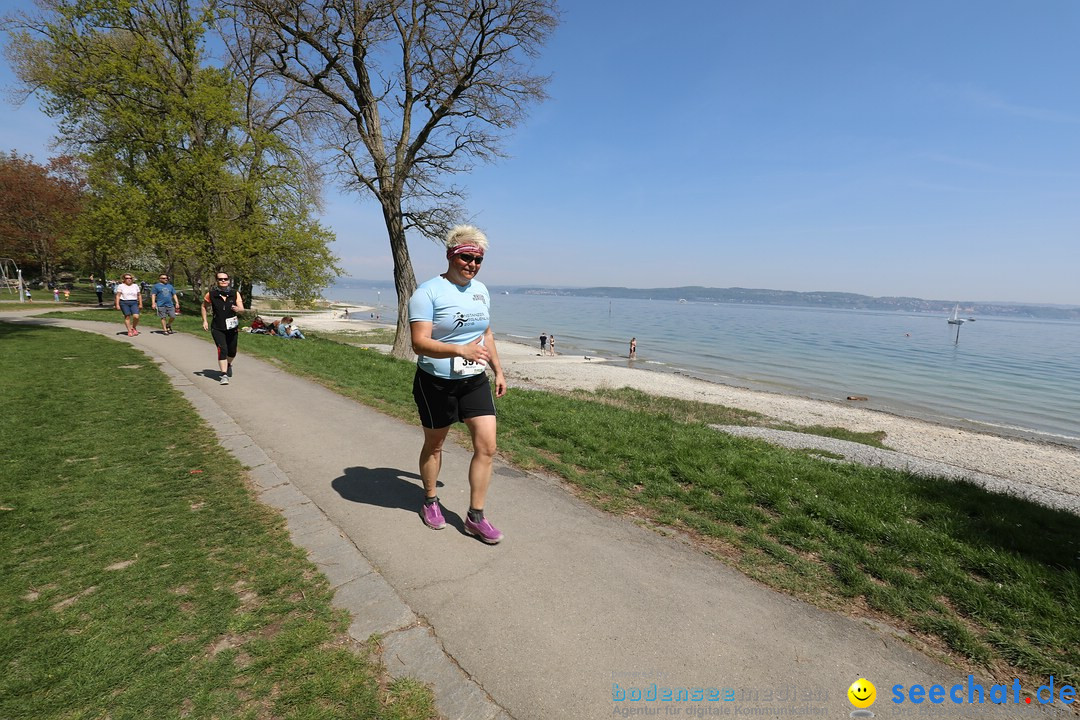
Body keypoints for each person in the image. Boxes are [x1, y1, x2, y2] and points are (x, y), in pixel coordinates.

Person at [408, 225, 507, 544]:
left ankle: (475, 516)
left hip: (473, 380)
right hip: (435, 382)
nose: (472, 265)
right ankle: (430, 500)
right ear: (452, 256)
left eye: (478, 260)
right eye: (466, 258)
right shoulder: (427, 292)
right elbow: (419, 344)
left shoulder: (482, 291)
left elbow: (486, 334)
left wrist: (498, 370)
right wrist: (459, 349)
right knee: (435, 445)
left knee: (487, 446)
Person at [201, 271, 245, 385]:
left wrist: (238, 309)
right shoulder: (211, 294)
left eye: (225, 279)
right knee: (222, 349)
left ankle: (229, 364)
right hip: (217, 327)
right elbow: (204, 306)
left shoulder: (235, 293)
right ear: (217, 281)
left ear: (229, 280)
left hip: (232, 327)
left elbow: (242, 309)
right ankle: (224, 375)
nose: (223, 281)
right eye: (221, 279)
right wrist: (205, 321)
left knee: (232, 351)